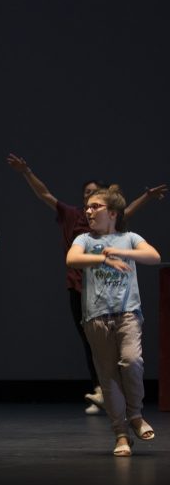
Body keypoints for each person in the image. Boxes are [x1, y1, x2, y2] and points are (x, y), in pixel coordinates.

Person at [6, 154, 166, 413]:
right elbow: (46, 195)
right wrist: (27, 172)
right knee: (92, 342)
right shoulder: (76, 219)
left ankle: (123, 399)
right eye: (86, 196)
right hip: (82, 288)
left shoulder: (119, 230)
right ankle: (104, 390)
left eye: (95, 196)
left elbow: (127, 216)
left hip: (113, 291)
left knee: (126, 350)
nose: (89, 202)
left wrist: (145, 197)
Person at [66, 185, 160, 456]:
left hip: (127, 313)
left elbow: (153, 256)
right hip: (96, 317)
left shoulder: (130, 238)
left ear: (113, 213)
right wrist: (104, 260)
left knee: (132, 361)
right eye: (87, 207)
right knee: (108, 377)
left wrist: (122, 254)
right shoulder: (84, 239)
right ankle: (121, 434)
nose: (89, 211)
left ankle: (136, 415)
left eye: (95, 206)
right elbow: (72, 259)